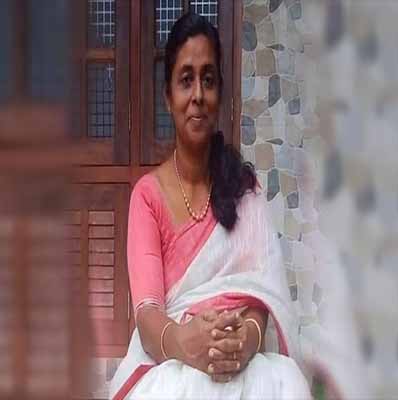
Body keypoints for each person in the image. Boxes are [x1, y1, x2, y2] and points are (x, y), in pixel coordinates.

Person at [108, 12, 310, 400]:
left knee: (291, 386)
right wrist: (187, 343)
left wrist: (246, 341)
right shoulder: (147, 196)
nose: (198, 94)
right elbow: (148, 314)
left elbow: (261, 295)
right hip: (173, 361)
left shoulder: (244, 189)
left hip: (243, 360)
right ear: (168, 97)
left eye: (209, 79)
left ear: (221, 95)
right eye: (186, 80)